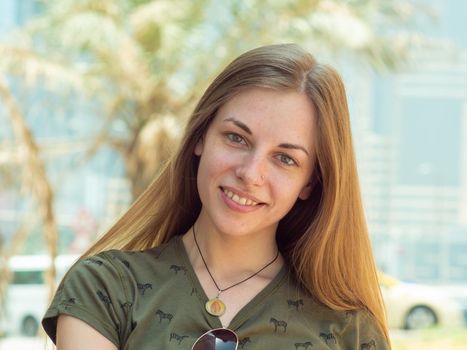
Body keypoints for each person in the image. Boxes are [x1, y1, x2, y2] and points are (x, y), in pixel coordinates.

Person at [42, 43, 390, 349]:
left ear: (309, 184)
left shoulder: (350, 331)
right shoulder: (106, 289)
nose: (250, 173)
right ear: (200, 138)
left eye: (285, 159)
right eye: (237, 138)